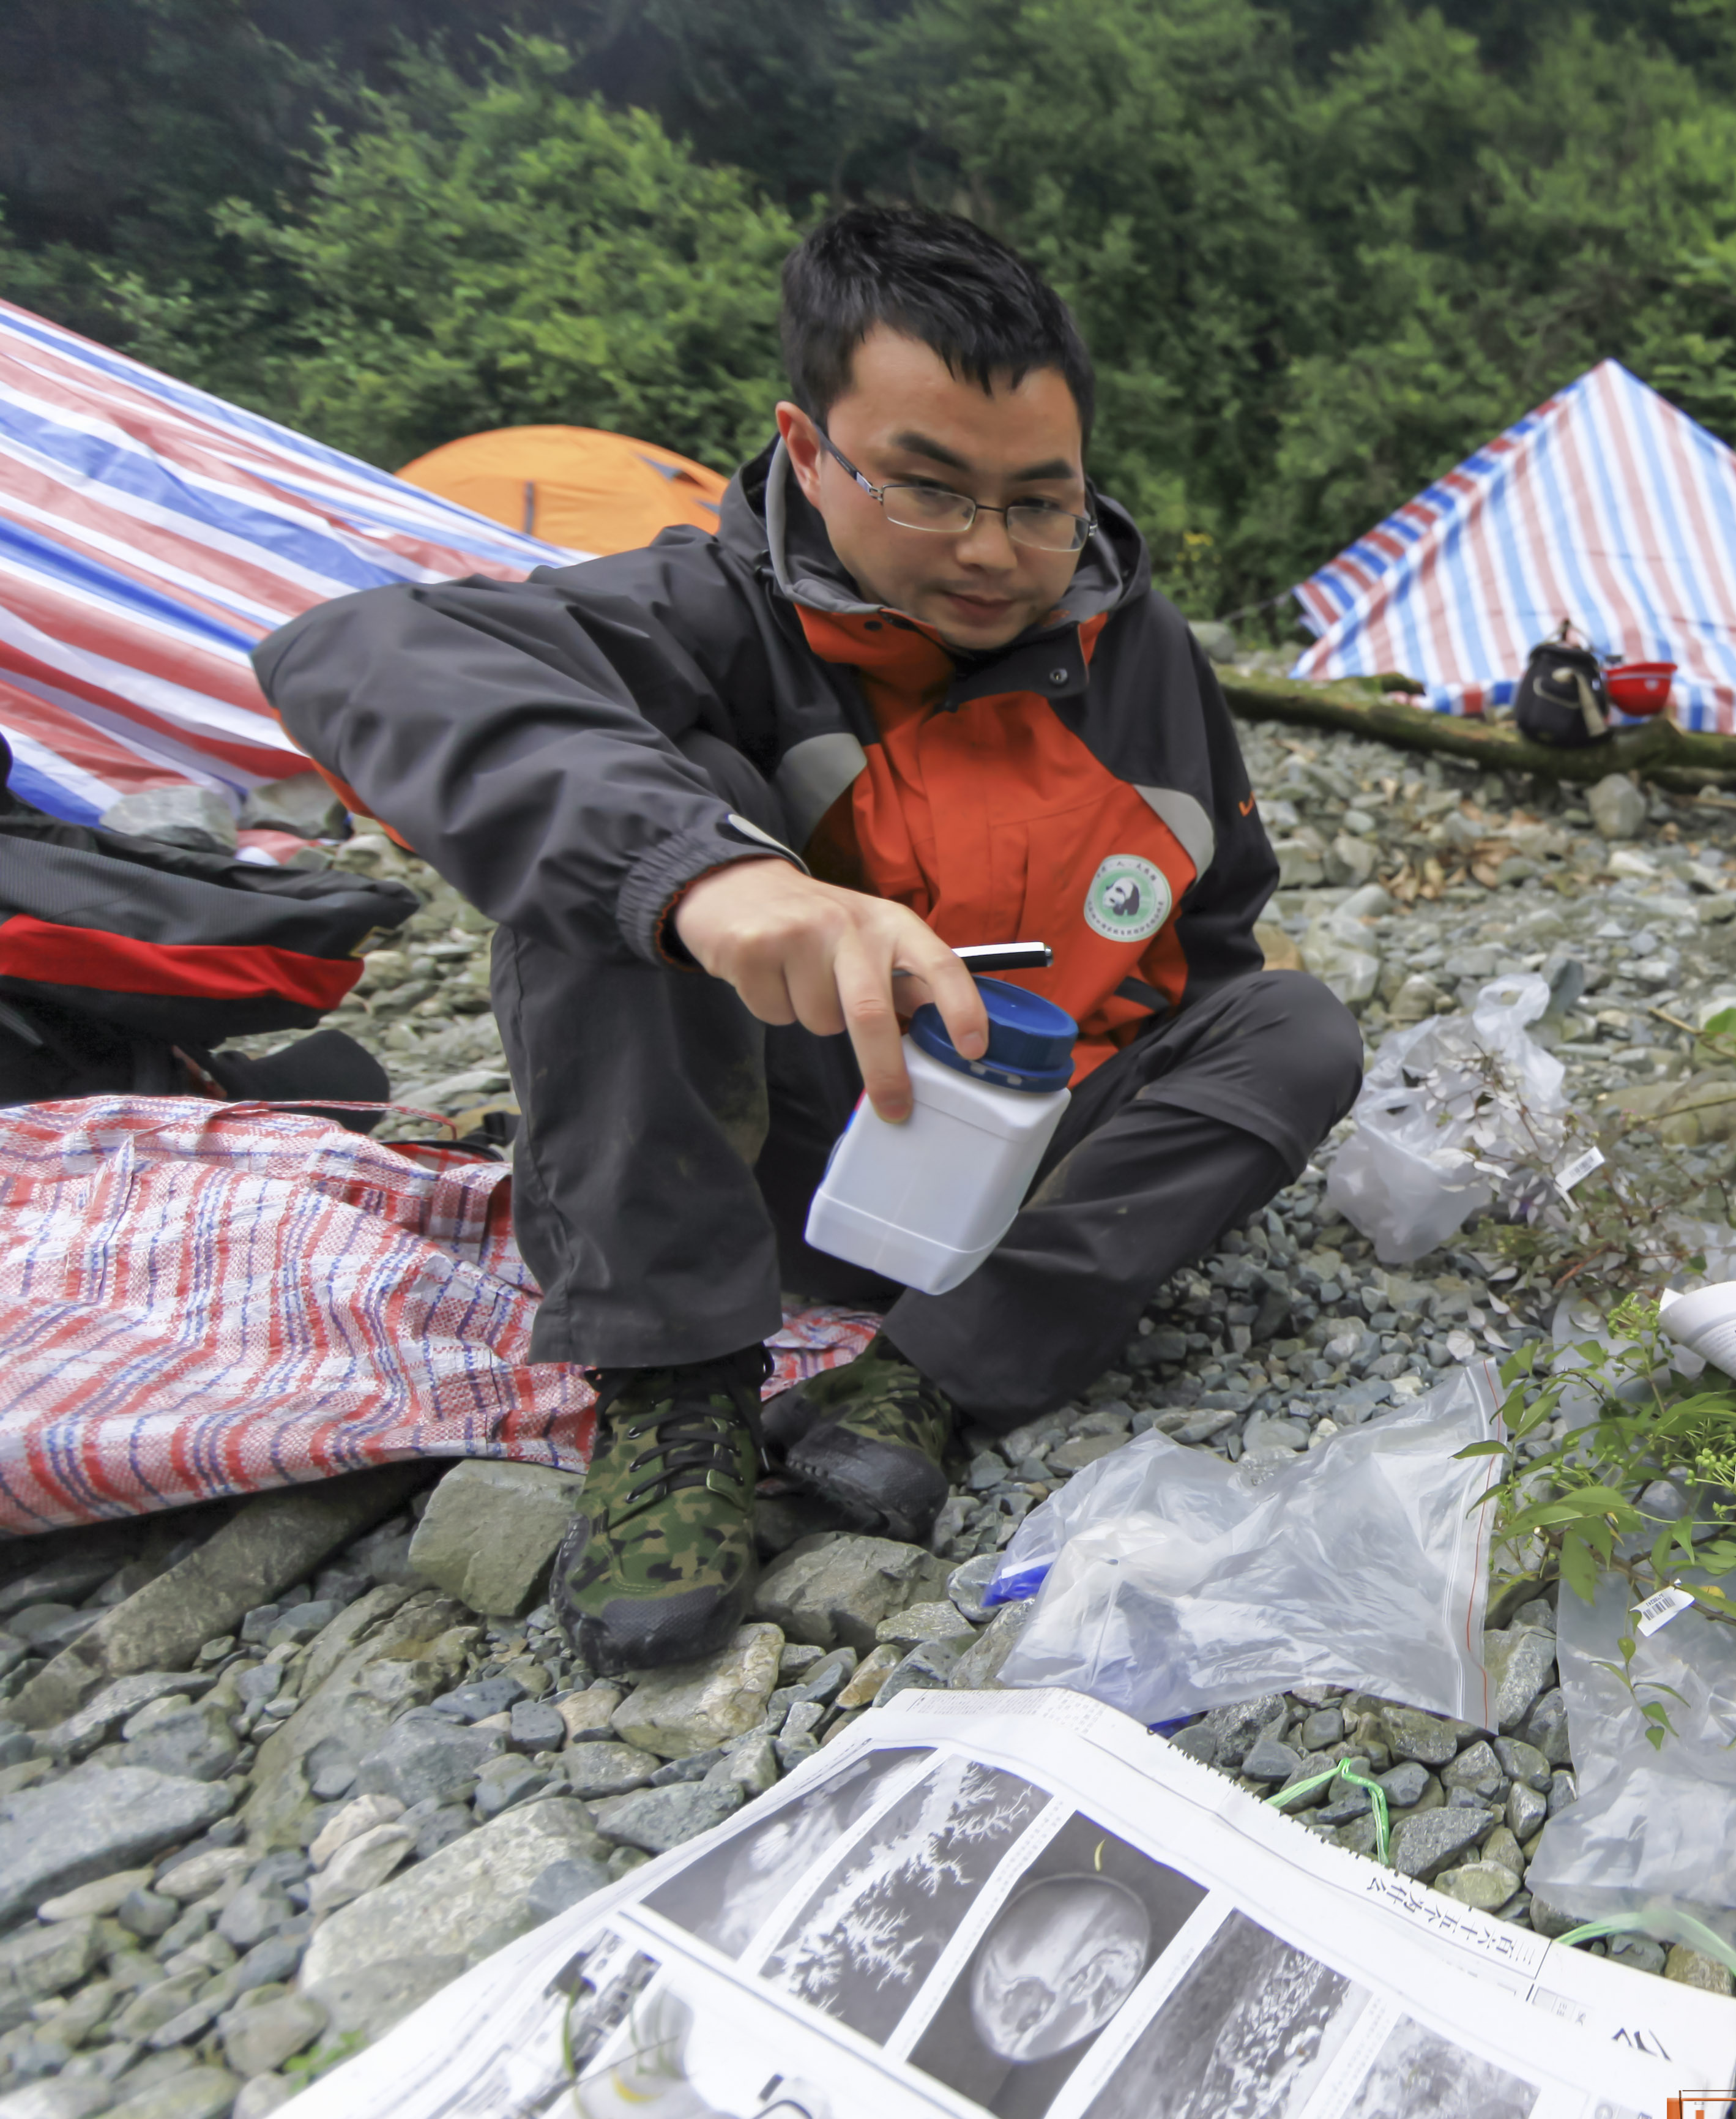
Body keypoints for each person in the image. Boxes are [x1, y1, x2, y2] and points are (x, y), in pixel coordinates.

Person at [257, 208, 1362, 1675]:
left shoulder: (1139, 648)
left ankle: (926, 1376)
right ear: (806, 445)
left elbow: (1211, 934)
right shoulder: (708, 611)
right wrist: (709, 879)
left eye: (1041, 501)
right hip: (794, 1145)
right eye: (926, 489)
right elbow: (362, 652)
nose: (992, 552)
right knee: (641, 832)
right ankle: (671, 1389)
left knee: (1299, 1028)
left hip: (1024, 1151)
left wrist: (1170, 1161)